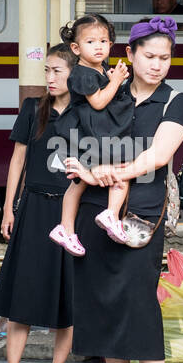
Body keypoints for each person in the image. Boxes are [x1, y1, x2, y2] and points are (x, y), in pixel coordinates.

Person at [68, 19, 183, 363]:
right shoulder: (108, 92)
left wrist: (111, 169)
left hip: (141, 211)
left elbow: (158, 155)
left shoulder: (176, 101)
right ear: (132, 56)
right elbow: (80, 132)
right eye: (150, 57)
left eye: (165, 58)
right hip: (94, 206)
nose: (158, 66)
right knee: (103, 304)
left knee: (139, 304)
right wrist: (85, 168)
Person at [0, 43, 77, 363]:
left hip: (70, 210)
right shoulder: (32, 109)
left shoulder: (85, 112)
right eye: (47, 71)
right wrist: (7, 208)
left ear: (74, 73)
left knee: (67, 293)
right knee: (20, 293)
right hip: (35, 206)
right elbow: (17, 160)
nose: (50, 78)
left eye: (58, 71)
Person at [49, 13, 133, 254]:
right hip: (89, 133)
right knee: (121, 170)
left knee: (78, 183)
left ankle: (66, 228)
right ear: (75, 48)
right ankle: (110, 214)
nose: (99, 46)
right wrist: (115, 81)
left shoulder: (97, 70)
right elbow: (97, 102)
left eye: (104, 41)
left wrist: (112, 78)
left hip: (90, 132)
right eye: (91, 42)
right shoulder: (81, 73)